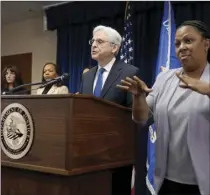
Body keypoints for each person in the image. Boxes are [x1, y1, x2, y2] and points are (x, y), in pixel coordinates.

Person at [117, 20, 210, 195]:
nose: (181, 47)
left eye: (188, 41)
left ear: (206, 43)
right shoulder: (165, 78)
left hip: (203, 182)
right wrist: (138, 97)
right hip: (166, 179)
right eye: (177, 43)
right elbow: (142, 118)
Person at [79, 25, 140, 195]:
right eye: (93, 41)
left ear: (114, 47)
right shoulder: (87, 75)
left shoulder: (129, 72)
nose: (93, 45)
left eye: (99, 41)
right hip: (87, 153)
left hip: (116, 154)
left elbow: (133, 114)